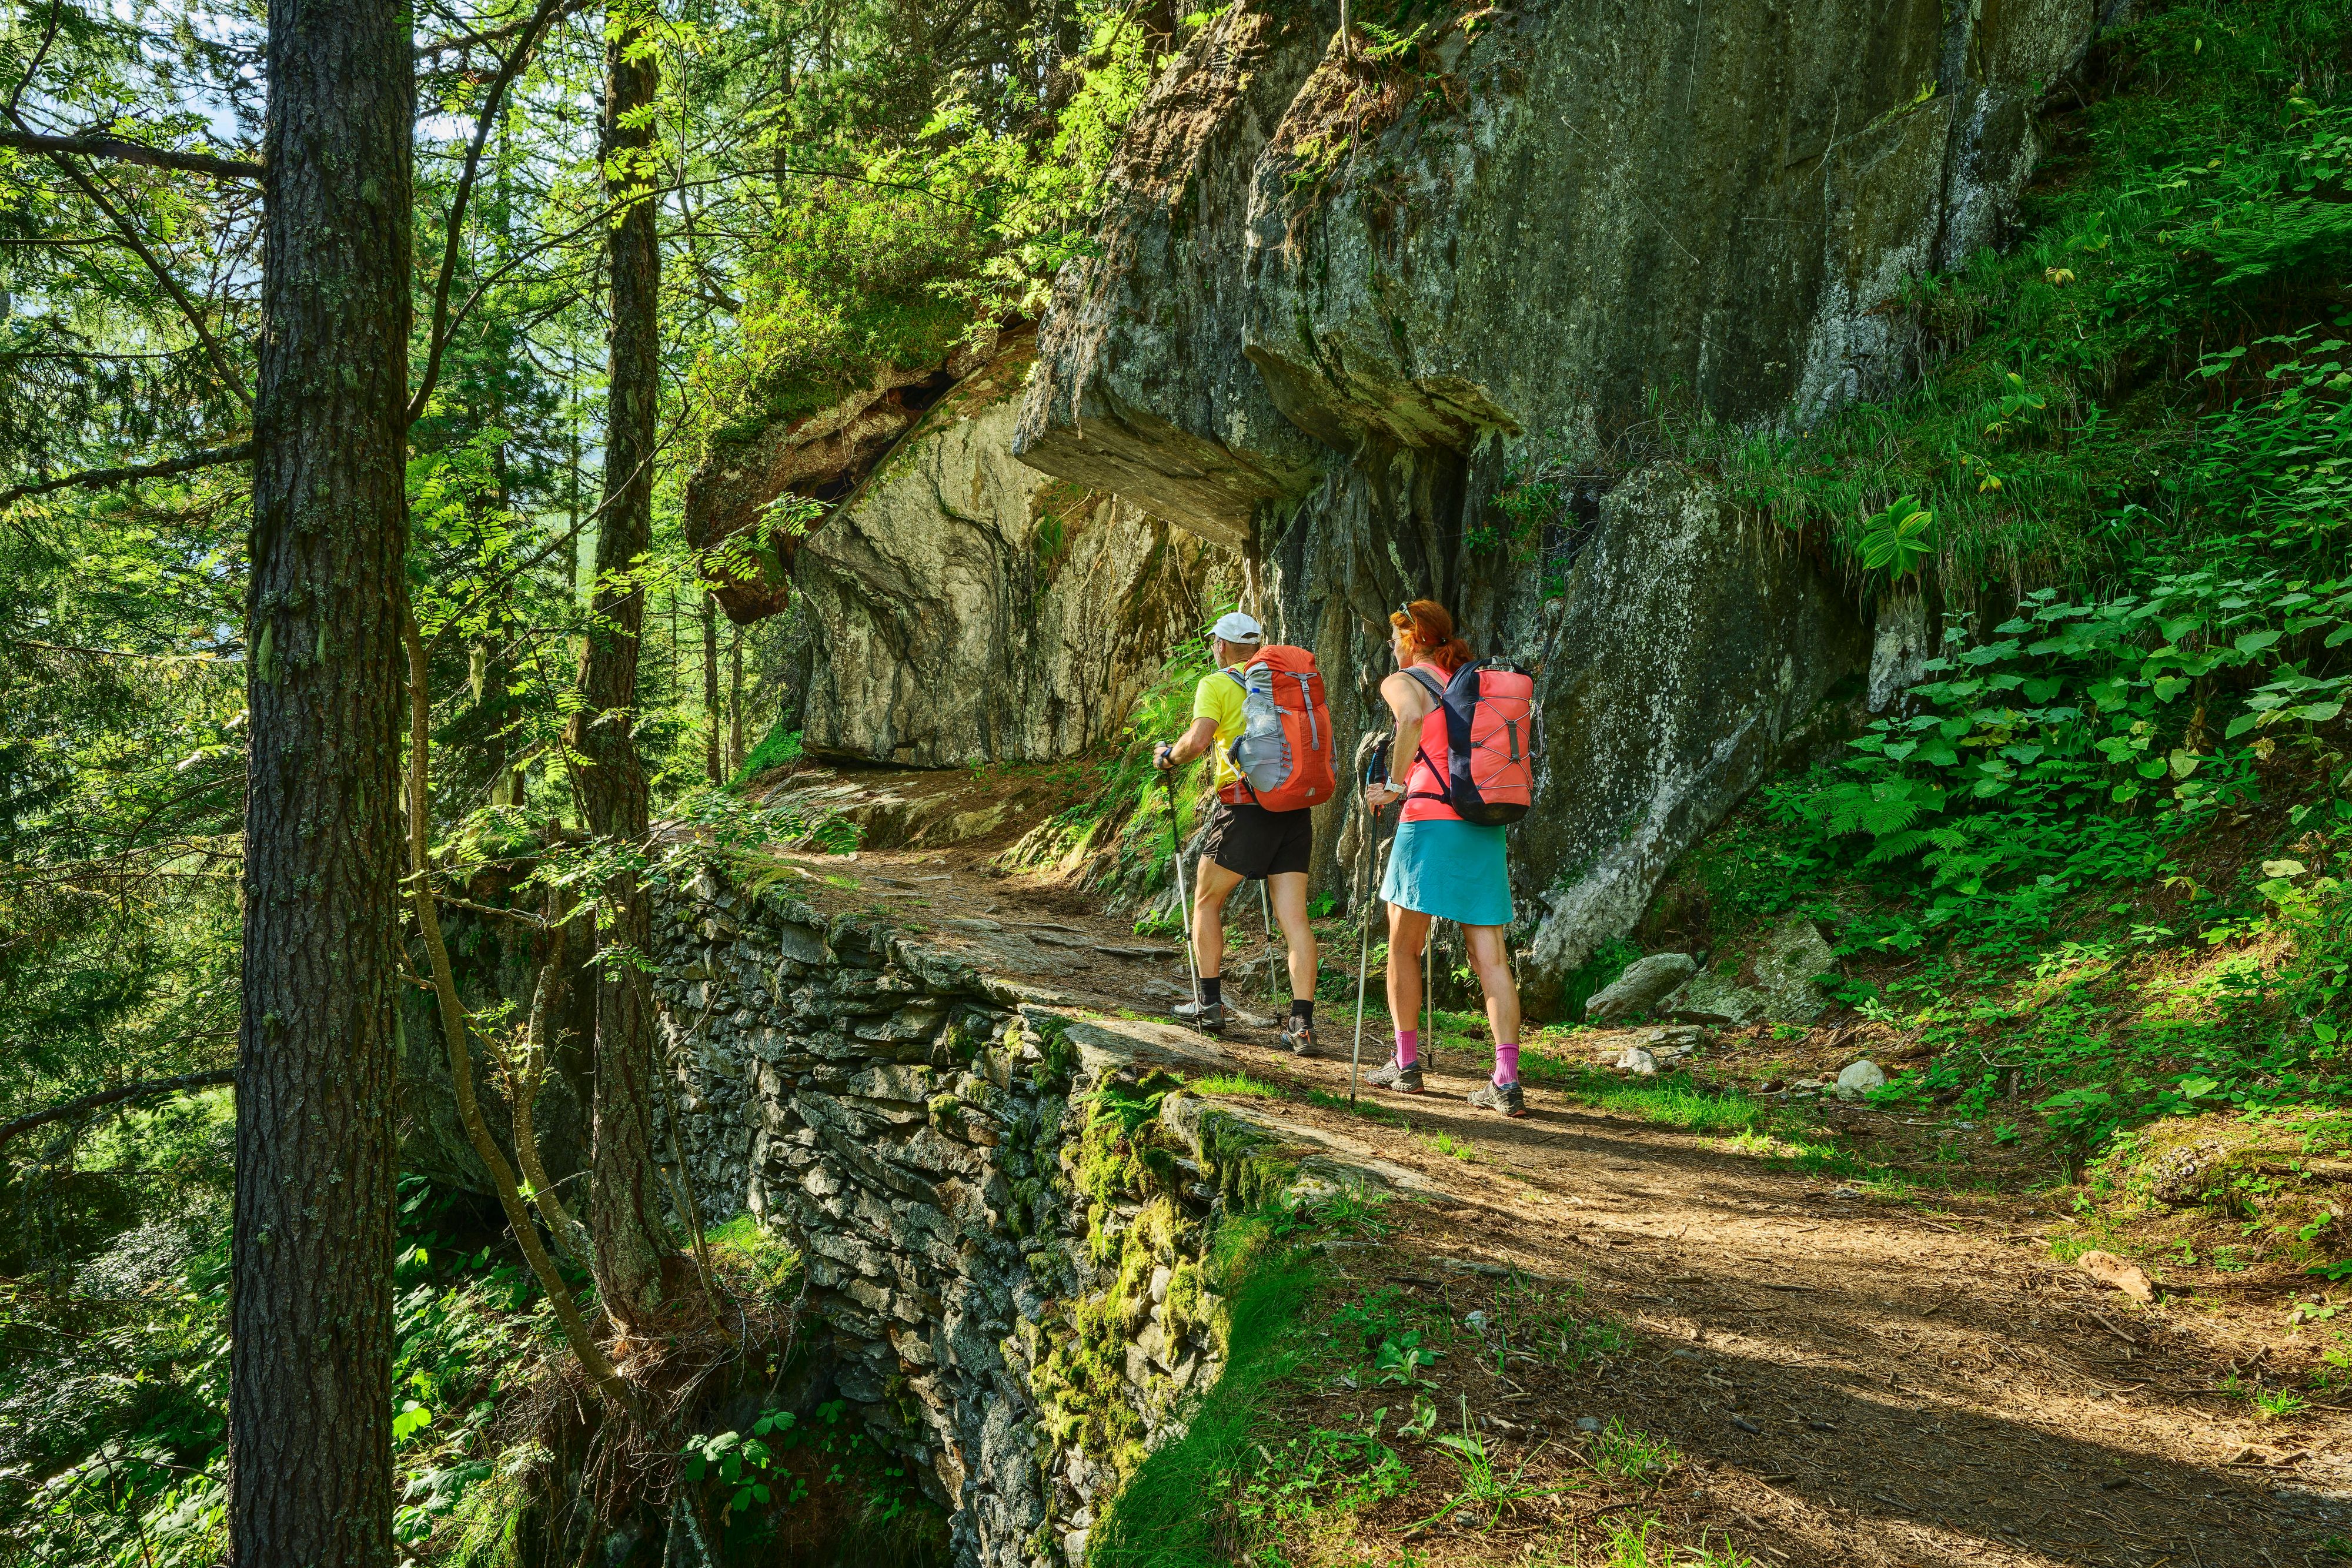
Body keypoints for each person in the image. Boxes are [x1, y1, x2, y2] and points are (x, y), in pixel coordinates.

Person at [1361, 600, 1527, 1116]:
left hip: (1428, 821)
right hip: (1481, 819)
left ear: (1414, 639)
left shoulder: (1405, 681)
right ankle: (1505, 1080)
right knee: (1490, 957)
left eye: (1397, 637)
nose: (1392, 646)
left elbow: (1410, 717)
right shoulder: (1465, 683)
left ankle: (1405, 1064)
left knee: (1404, 946)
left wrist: (1391, 783)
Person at [1152, 610, 1320, 1052]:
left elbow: (1197, 742)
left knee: (1207, 898)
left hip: (1246, 808)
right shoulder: (1281, 681)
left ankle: (1209, 1004)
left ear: (1222, 646)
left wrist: (1168, 756)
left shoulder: (1216, 684)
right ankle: (1301, 1025)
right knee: (1295, 919)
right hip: (1294, 807)